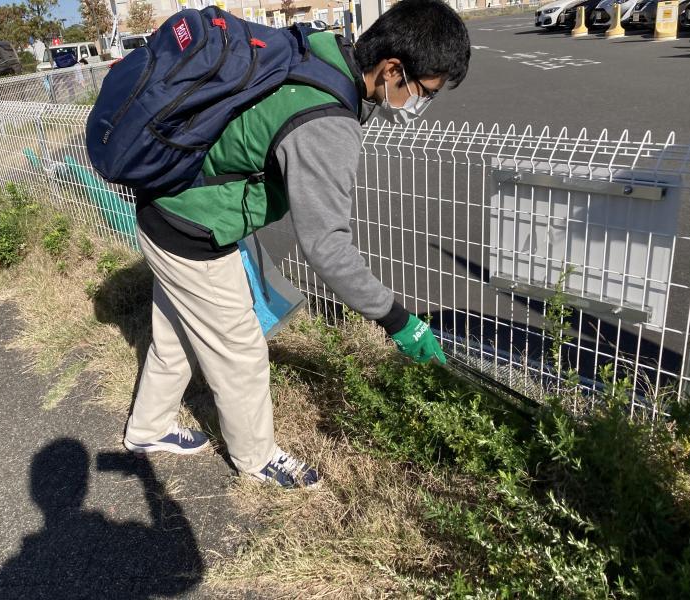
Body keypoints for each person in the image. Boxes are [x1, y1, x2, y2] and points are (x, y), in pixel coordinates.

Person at [122, 0, 471, 488]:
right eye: (424, 92)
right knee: (241, 352)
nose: (421, 104)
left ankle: (148, 428)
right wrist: (397, 320)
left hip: (166, 200)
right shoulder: (328, 123)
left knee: (177, 329)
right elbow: (326, 246)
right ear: (393, 69)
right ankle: (257, 458)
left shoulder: (317, 51)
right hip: (193, 226)